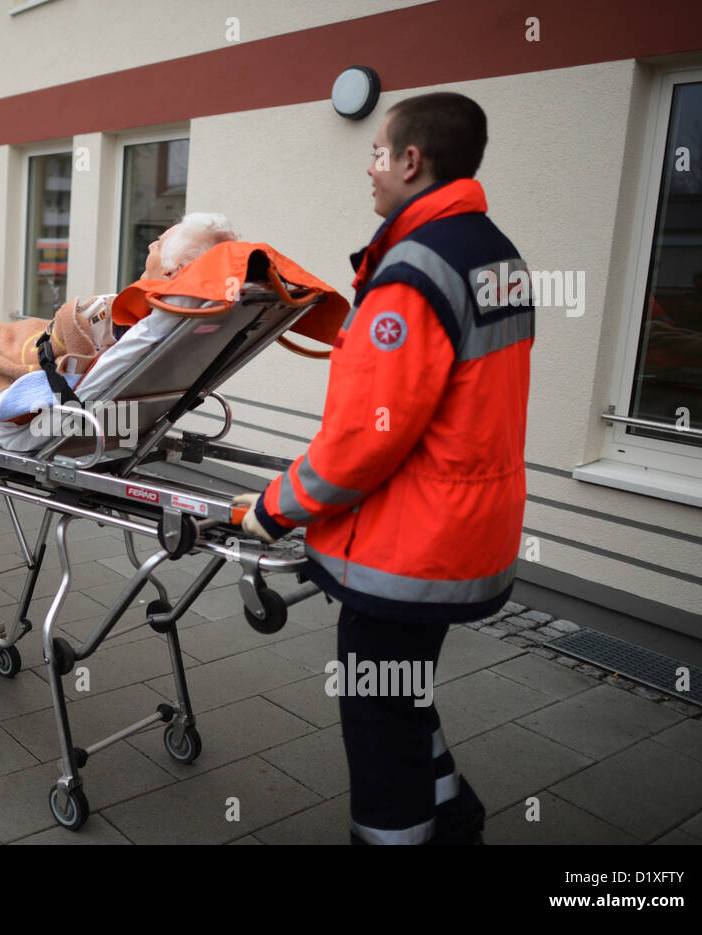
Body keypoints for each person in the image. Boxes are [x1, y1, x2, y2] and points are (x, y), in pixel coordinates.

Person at [234, 92, 533, 844]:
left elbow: (363, 443)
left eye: (376, 152)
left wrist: (273, 508)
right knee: (402, 696)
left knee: (376, 721)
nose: (368, 168)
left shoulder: (410, 275)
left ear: (411, 159)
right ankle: (455, 817)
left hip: (408, 549)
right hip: (464, 531)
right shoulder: (495, 253)